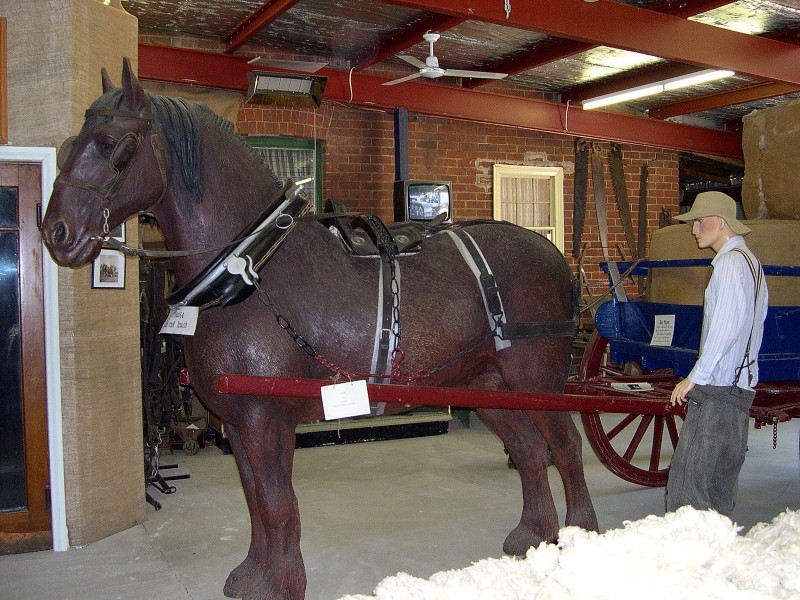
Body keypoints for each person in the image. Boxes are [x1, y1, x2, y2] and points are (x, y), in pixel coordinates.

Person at [665, 191, 768, 515]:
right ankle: (719, 552)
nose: (694, 228)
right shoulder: (752, 263)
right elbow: (756, 324)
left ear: (720, 223)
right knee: (720, 484)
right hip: (740, 389)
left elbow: (725, 330)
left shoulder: (727, 265)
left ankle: (691, 558)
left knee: (687, 489)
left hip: (717, 391)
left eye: (698, 221)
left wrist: (695, 377)